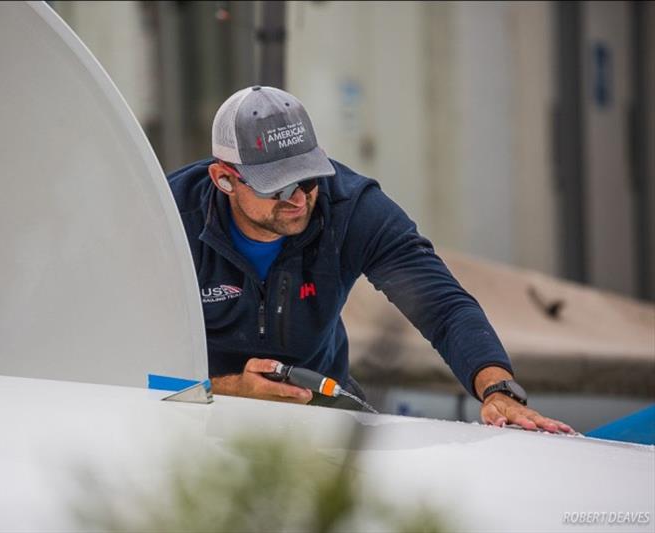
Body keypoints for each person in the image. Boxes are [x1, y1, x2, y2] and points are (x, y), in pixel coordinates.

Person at [167, 85, 572, 433]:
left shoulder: (352, 210)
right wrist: (230, 388)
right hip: (189, 410)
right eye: (274, 186)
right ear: (224, 179)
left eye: (306, 179)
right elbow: (128, 353)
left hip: (322, 407)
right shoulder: (168, 219)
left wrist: (498, 389)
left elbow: (443, 307)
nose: (296, 199)